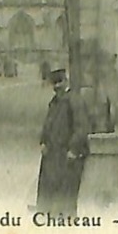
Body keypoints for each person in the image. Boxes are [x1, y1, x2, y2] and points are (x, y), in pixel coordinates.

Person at [35, 67, 90, 217]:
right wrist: (44, 141)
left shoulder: (74, 101)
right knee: (48, 191)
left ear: (66, 82)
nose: (57, 87)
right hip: (52, 154)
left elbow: (82, 127)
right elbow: (48, 124)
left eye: (60, 83)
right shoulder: (55, 102)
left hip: (67, 155)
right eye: (55, 84)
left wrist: (73, 149)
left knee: (65, 194)